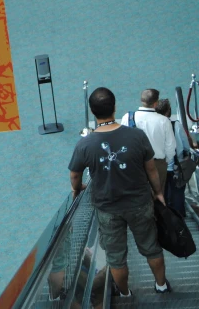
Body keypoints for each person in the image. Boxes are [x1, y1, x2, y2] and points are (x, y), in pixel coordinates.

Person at [69, 87, 171, 298]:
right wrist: (158, 192)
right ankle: (161, 285)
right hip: (140, 204)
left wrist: (76, 189)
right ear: (114, 107)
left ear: (92, 111)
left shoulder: (84, 144)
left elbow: (75, 174)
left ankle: (124, 293)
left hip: (107, 209)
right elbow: (151, 168)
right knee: (151, 247)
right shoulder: (136, 136)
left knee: (116, 258)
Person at [121, 89, 176, 193]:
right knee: (157, 197)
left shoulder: (127, 117)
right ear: (156, 103)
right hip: (157, 164)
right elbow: (170, 147)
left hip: (134, 164)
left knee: (136, 196)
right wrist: (165, 161)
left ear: (142, 100)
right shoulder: (164, 121)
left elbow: (122, 142)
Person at [155, 99, 189, 217]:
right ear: (168, 110)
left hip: (158, 169)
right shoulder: (176, 125)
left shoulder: (154, 126)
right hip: (176, 167)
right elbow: (186, 146)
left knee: (161, 195)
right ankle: (179, 220)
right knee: (178, 194)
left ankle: (164, 220)